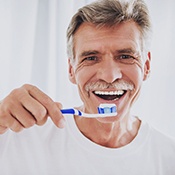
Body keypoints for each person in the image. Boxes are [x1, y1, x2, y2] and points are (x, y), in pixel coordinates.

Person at [0, 0, 175, 174]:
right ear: (71, 70)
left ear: (146, 66)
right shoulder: (18, 136)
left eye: (125, 56)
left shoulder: (168, 159)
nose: (109, 76)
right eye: (91, 58)